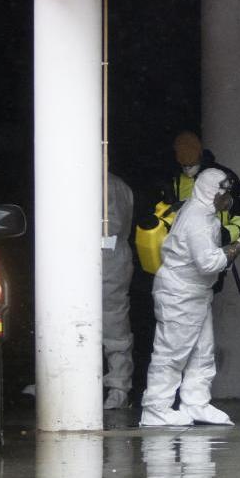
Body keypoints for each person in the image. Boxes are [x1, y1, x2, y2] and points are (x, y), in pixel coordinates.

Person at [140, 168, 240, 426]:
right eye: (222, 190)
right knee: (172, 352)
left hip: (195, 293)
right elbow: (207, 263)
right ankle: (155, 408)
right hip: (179, 293)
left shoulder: (203, 213)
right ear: (209, 190)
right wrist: (238, 247)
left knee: (202, 352)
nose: (227, 196)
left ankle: (196, 403)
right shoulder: (197, 220)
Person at [161, 131, 240, 246]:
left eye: (192, 164)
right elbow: (165, 217)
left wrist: (224, 234)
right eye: (184, 165)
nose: (188, 169)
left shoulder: (223, 178)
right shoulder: (173, 180)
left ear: (200, 156)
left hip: (218, 253)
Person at [102, 172, 136, 409]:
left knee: (113, 322)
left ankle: (119, 386)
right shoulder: (110, 183)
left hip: (108, 257)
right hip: (101, 255)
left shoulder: (111, 185)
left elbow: (112, 226)